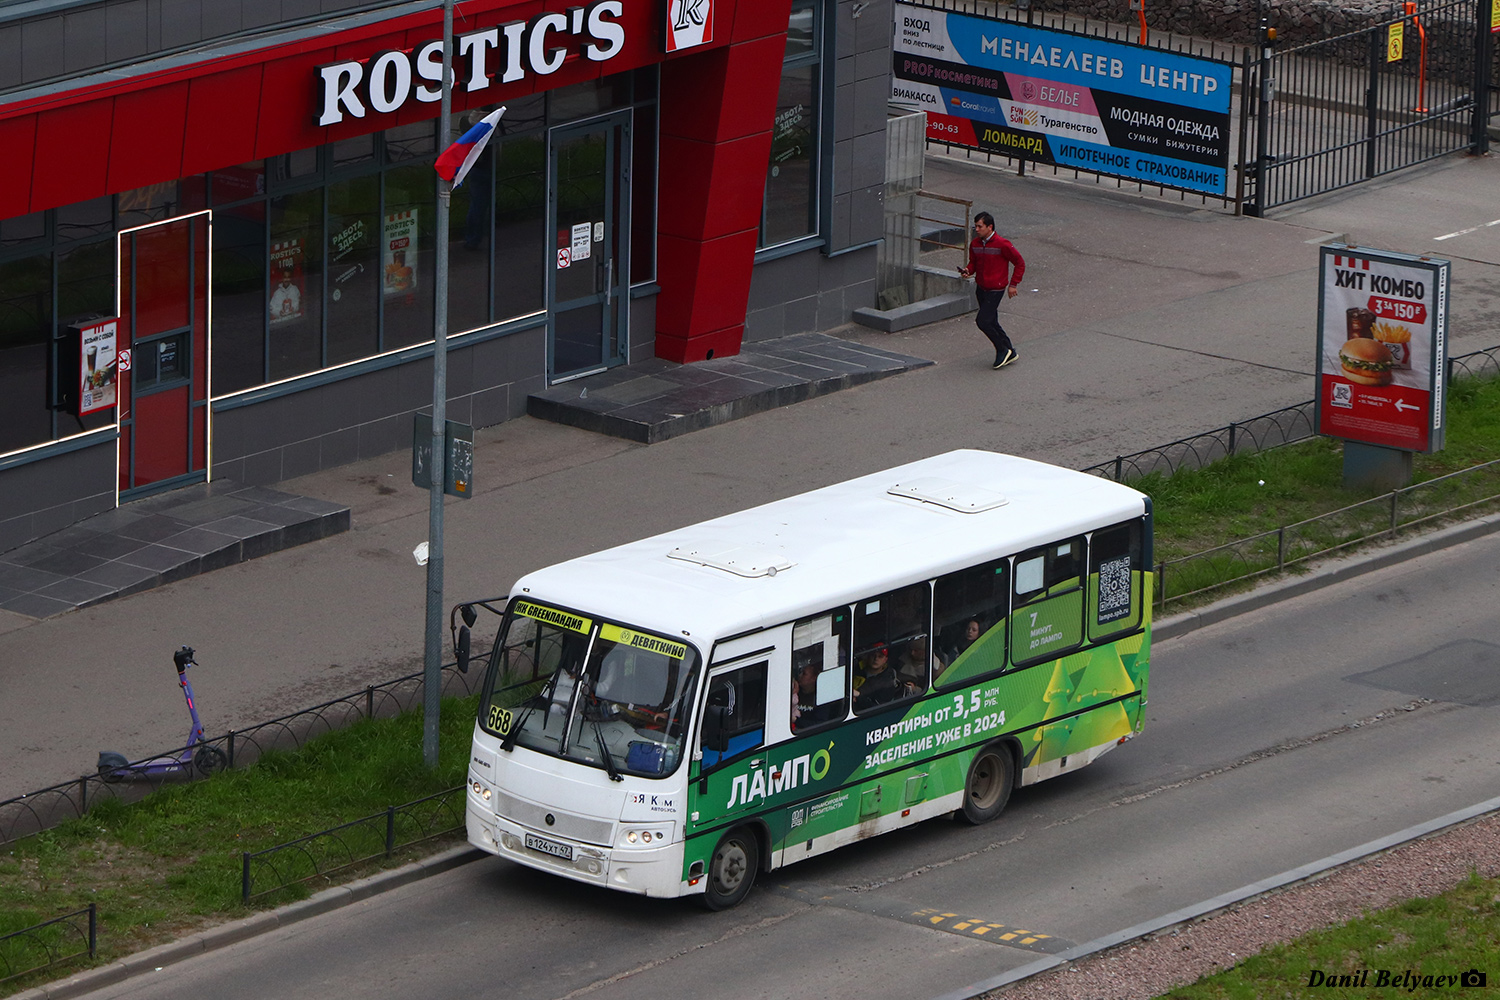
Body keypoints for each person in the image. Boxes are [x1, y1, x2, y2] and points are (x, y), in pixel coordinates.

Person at [957, 211, 1026, 370]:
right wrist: (968, 270)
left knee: (983, 321)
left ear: (990, 227)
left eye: (980, 226)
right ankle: (1010, 350)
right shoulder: (975, 243)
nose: (977, 229)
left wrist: (1013, 284)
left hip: (996, 289)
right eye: (976, 226)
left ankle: (1001, 349)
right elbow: (973, 263)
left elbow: (1020, 263)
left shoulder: (1003, 244)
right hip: (981, 288)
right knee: (992, 321)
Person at [852, 643, 902, 711]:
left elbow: (879, 708)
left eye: (880, 656)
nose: (876, 659)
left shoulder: (888, 683)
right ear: (868, 656)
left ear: (885, 660)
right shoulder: (855, 668)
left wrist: (859, 697)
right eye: (873, 655)